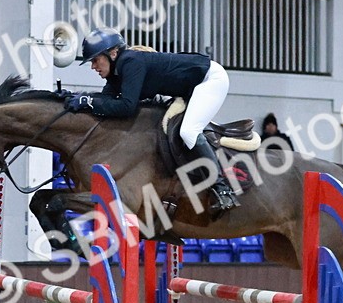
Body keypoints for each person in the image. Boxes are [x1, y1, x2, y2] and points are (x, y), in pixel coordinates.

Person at [65, 28, 238, 217]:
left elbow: (126, 106)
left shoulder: (130, 61)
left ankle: (222, 188)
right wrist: (78, 100)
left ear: (113, 53)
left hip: (210, 79)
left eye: (95, 60)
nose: (93, 66)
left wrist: (88, 101)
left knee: (188, 132)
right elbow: (104, 102)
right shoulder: (115, 75)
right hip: (191, 87)